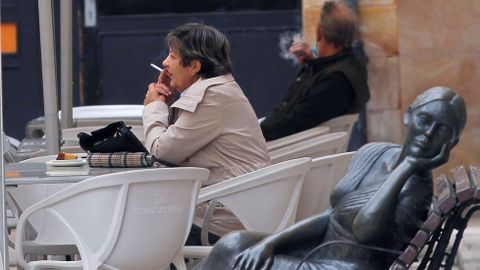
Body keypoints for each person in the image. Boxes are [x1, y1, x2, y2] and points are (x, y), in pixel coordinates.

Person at [195, 86, 467, 270]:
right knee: (236, 243)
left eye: (442, 129)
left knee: (232, 256)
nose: (429, 133)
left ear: (451, 142)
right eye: (424, 119)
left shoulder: (416, 189)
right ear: (409, 115)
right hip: (320, 251)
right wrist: (270, 242)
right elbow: (330, 215)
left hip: (343, 267)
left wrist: (407, 167)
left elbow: (364, 231)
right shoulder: (374, 152)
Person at [143, 23, 270, 245]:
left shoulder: (211, 96)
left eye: (172, 56)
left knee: (137, 235)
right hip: (237, 210)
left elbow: (162, 151)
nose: (164, 63)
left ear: (193, 65)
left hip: (223, 221)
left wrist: (155, 106)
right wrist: (172, 102)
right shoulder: (219, 89)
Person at [260, 0, 370, 143]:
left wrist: (253, 136)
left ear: (319, 31)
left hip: (280, 150)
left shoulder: (336, 81)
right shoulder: (351, 68)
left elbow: (293, 121)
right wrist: (313, 63)